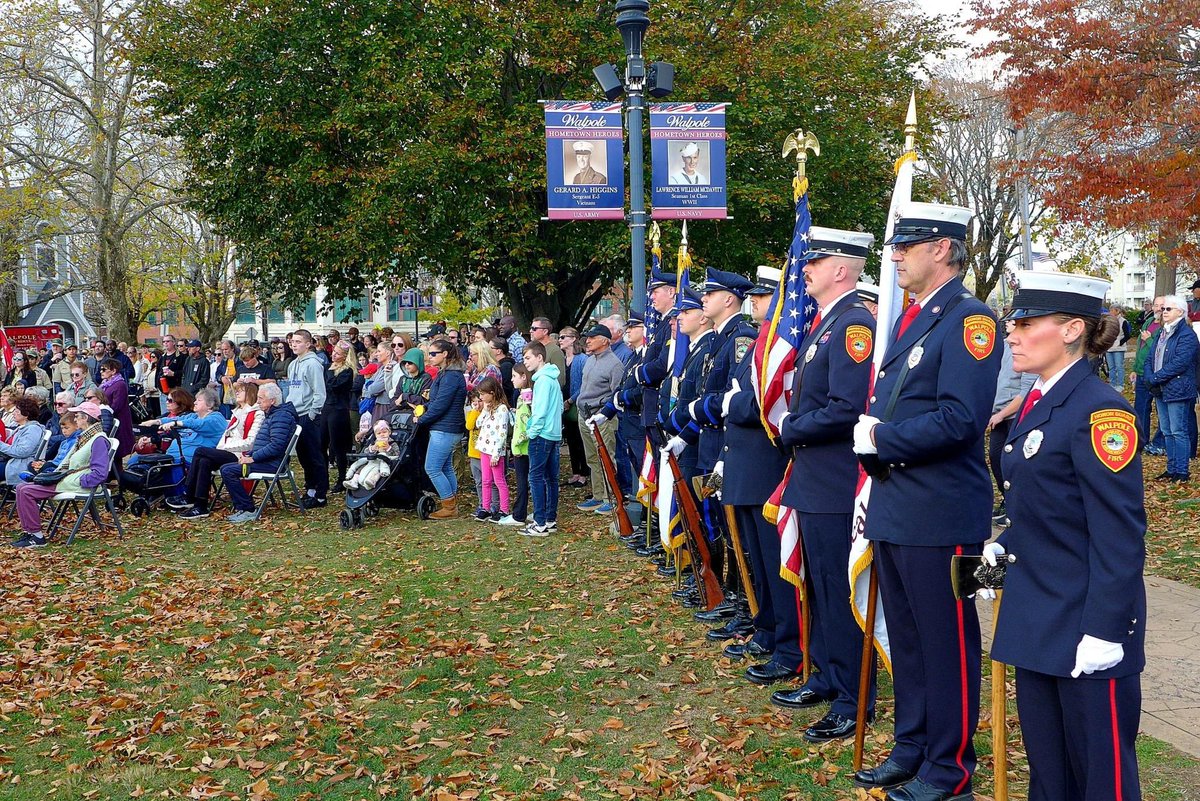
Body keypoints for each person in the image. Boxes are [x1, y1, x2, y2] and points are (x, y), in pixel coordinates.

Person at [851, 202, 1002, 801]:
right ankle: (912, 746)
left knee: (948, 642)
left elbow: (961, 419)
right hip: (898, 504)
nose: (894, 257)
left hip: (943, 514)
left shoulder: (970, 319)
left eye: (905, 246)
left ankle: (951, 768)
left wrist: (882, 439)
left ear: (942, 248)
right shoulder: (918, 317)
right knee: (909, 639)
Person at [983, 270, 1145, 801]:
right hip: (1038, 614)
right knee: (1051, 776)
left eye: (1027, 323)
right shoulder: (1038, 399)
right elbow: (1048, 508)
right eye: (1014, 323)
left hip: (1083, 622)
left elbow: (1119, 534)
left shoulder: (1100, 411)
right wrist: (1002, 548)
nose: (1011, 333)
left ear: (1072, 329)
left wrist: (1105, 630)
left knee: (1100, 778)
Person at [769, 231, 879, 741]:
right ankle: (828, 676)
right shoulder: (826, 323)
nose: (805, 267)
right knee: (820, 591)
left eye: (816, 260)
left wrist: (791, 426)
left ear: (843, 269)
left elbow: (846, 409)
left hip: (834, 481)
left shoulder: (854, 323)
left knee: (841, 593)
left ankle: (854, 699)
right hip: (814, 480)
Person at [11, 401, 111, 549]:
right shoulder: (86, 437)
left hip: (77, 483)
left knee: (26, 491)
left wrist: (81, 481)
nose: (75, 419)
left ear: (86, 418)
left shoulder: (98, 440)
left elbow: (100, 472)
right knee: (21, 487)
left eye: (77, 416)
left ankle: (37, 537)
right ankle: (29, 532)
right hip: (67, 478)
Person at [168, 382, 263, 518]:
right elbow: (226, 436)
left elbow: (250, 443)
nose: (236, 393)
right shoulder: (237, 413)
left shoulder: (257, 414)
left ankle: (188, 496)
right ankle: (200, 506)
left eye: (240, 391)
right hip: (229, 452)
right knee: (204, 461)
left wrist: (224, 447)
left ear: (250, 394)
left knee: (201, 451)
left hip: (241, 454)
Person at [218, 383, 298, 524]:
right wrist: (248, 454)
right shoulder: (272, 415)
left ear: (272, 401)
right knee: (226, 468)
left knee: (228, 471)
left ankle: (247, 509)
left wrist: (252, 458)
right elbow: (264, 443)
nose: (258, 401)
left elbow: (276, 446)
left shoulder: (281, 417)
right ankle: (243, 507)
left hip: (272, 464)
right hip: (265, 460)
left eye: (261, 398)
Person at [1142, 294, 1197, 481]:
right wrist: (1150, 376)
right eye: (1163, 308)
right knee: (1166, 430)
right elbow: (1150, 357)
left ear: (1180, 312)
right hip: (1161, 388)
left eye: (1168, 309)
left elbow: (1179, 363)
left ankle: (1182, 471)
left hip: (1178, 388)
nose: (1163, 311)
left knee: (1178, 430)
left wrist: (1156, 377)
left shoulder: (1187, 335)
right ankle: (1172, 468)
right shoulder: (1162, 332)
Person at [415, 340, 467, 519]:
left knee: (432, 468)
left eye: (433, 353)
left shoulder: (452, 376)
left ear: (445, 354)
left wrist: (421, 420)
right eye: (429, 353)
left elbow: (441, 405)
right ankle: (451, 502)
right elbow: (437, 402)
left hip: (446, 428)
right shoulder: (445, 373)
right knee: (445, 467)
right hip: (446, 427)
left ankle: (449, 506)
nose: (430, 357)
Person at [576, 324, 624, 514]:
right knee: (592, 457)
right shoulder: (589, 360)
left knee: (606, 456)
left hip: (602, 417)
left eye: (592, 337)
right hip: (584, 415)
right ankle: (597, 496)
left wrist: (603, 411)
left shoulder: (614, 364)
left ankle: (610, 497)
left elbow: (617, 394)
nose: (587, 341)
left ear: (604, 340)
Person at [987, 336, 1036, 522]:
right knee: (995, 458)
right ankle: (1007, 501)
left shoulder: (1027, 349)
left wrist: (1001, 414)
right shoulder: (1004, 345)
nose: (1008, 325)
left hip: (1015, 417)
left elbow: (1026, 392)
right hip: (998, 414)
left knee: (1013, 463)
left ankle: (1016, 507)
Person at [521, 341, 563, 537]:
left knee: (536, 477)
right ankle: (549, 519)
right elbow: (559, 407)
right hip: (553, 433)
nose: (525, 362)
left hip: (542, 434)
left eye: (528, 358)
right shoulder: (551, 378)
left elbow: (541, 410)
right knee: (550, 478)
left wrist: (531, 432)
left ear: (540, 357)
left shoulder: (544, 381)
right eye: (523, 358)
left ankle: (539, 523)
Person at [286, 330, 329, 508]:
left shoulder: (313, 364)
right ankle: (310, 489)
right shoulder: (292, 364)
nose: (294, 345)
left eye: (298, 341)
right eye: (292, 342)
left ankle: (320, 494)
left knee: (315, 455)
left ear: (308, 343)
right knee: (303, 456)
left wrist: (312, 415)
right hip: (296, 414)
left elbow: (320, 393)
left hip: (308, 416)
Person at [498, 367, 532, 527]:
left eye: (514, 376)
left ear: (524, 377)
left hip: (523, 447)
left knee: (522, 481)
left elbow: (524, 424)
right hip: (525, 446)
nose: (511, 379)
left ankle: (519, 515)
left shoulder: (526, 397)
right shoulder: (523, 396)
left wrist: (517, 444)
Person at [473, 376, 511, 522]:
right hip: (484, 448)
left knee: (499, 480)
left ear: (492, 393)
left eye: (483, 394)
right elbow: (478, 424)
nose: (481, 397)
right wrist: (483, 410)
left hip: (495, 451)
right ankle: (486, 507)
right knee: (486, 480)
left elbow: (502, 433)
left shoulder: (502, 409)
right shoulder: (488, 407)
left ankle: (504, 509)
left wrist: (496, 454)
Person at [1132, 296, 1165, 455]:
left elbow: (1163, 350)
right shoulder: (1149, 321)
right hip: (1141, 372)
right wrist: (1134, 368)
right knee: (1141, 408)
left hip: (1157, 373)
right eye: (1156, 305)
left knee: (1162, 410)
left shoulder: (1167, 326)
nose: (1158, 308)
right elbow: (1140, 346)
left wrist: (1150, 339)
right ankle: (1141, 441)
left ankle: (1160, 442)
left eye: (1162, 305)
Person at [323, 341, 357, 492]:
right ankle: (322, 476)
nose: (333, 355)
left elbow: (334, 386)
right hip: (327, 407)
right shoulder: (328, 367)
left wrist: (330, 372)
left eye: (337, 353)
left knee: (338, 446)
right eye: (333, 352)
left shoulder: (347, 371)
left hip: (339, 409)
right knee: (321, 442)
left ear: (344, 356)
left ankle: (342, 477)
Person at [559, 327, 589, 489]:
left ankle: (584, 473)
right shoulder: (562, 359)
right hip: (563, 404)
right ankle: (575, 471)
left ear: (573, 339)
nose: (560, 340)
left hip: (576, 404)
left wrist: (570, 400)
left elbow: (585, 383)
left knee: (579, 439)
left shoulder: (582, 359)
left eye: (564, 337)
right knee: (570, 439)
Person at [0, 396, 47, 484]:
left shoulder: (33, 429)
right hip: (10, 461)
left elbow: (22, 452)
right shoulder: (21, 428)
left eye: (16, 411)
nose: (13, 413)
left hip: (20, 464)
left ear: (26, 414)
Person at [343, 419, 399, 491]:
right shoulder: (374, 443)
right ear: (375, 435)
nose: (382, 434)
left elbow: (397, 454)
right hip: (372, 461)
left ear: (389, 432)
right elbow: (366, 452)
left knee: (377, 471)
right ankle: (354, 481)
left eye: (384, 432)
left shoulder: (392, 443)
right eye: (379, 433)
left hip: (383, 463)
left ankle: (372, 481)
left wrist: (388, 448)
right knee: (361, 467)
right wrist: (372, 448)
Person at [98, 358, 134, 460]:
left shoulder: (120, 384)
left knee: (118, 449)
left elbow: (117, 405)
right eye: (101, 369)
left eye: (104, 369)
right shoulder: (105, 384)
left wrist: (105, 411)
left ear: (113, 371)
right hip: (108, 417)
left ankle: (118, 472)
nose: (101, 372)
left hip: (119, 420)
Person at [528, 318, 567, 393]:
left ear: (545, 331)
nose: (530, 331)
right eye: (531, 328)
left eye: (534, 328)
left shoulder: (555, 351)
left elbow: (560, 380)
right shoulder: (533, 348)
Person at [156, 335, 184, 415]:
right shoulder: (162, 357)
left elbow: (185, 372)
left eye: (168, 341)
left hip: (175, 391)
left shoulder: (181, 357)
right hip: (163, 391)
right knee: (164, 415)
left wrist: (174, 373)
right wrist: (157, 385)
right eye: (164, 342)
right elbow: (158, 372)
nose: (165, 343)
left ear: (174, 342)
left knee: (174, 414)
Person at [1104, 305, 1131, 389]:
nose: (1110, 312)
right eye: (1110, 310)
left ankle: (1120, 384)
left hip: (1119, 348)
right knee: (1111, 367)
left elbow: (1127, 335)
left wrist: (1120, 342)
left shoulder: (1123, 321)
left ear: (1118, 311)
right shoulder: (1108, 321)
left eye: (1112, 310)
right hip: (1109, 347)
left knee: (1119, 366)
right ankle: (1112, 384)